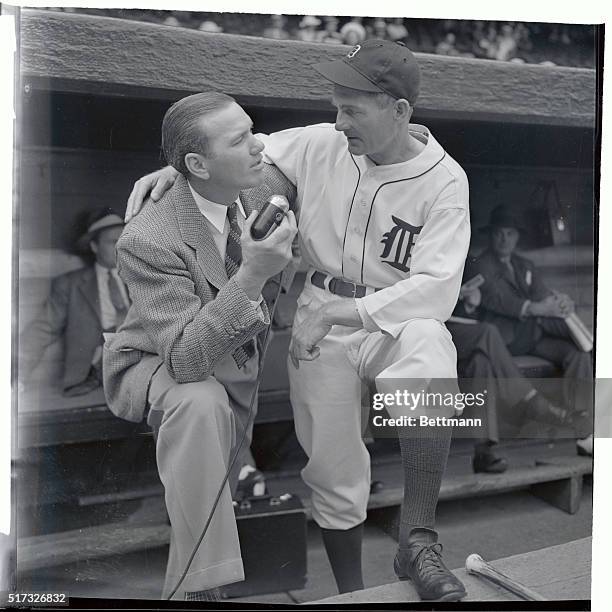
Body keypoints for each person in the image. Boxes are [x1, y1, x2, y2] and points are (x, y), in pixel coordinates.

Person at [125, 40, 470, 602]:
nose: (338, 122)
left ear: (399, 111)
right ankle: (352, 593)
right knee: (332, 467)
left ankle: (419, 538)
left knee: (430, 347)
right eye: (335, 105)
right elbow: (226, 150)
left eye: (352, 109)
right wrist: (169, 172)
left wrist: (345, 311)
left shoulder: (445, 179)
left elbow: (436, 290)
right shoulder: (321, 141)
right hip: (321, 314)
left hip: (391, 317)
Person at [103, 92, 297, 601]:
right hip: (157, 361)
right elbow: (186, 360)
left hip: (235, 365)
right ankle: (208, 591)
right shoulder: (147, 236)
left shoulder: (263, 183)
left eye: (253, 129)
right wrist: (254, 272)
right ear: (196, 164)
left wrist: (412, 132)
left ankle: (190, 590)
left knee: (212, 488)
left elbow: (338, 139)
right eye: (240, 140)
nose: (259, 145)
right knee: (199, 401)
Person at [470, 205, 593, 448]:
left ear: (517, 237)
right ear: (491, 235)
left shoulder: (524, 264)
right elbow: (499, 299)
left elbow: (542, 294)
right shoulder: (480, 264)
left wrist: (560, 301)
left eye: (510, 234)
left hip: (531, 336)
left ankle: (581, 421)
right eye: (499, 233)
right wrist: (538, 308)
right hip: (503, 343)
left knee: (578, 353)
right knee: (570, 333)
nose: (505, 239)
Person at [449, 273, 586, 473]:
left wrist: (468, 304)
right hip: (427, 331)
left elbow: (462, 316)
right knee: (487, 332)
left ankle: (483, 451)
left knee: (481, 361)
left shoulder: (522, 266)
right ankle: (529, 400)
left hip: (458, 334)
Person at [20, 208, 127, 396]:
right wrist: (16, 375)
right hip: (91, 376)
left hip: (139, 370)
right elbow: (43, 329)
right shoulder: (70, 284)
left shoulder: (141, 278)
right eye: (113, 242)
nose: (121, 248)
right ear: (94, 246)